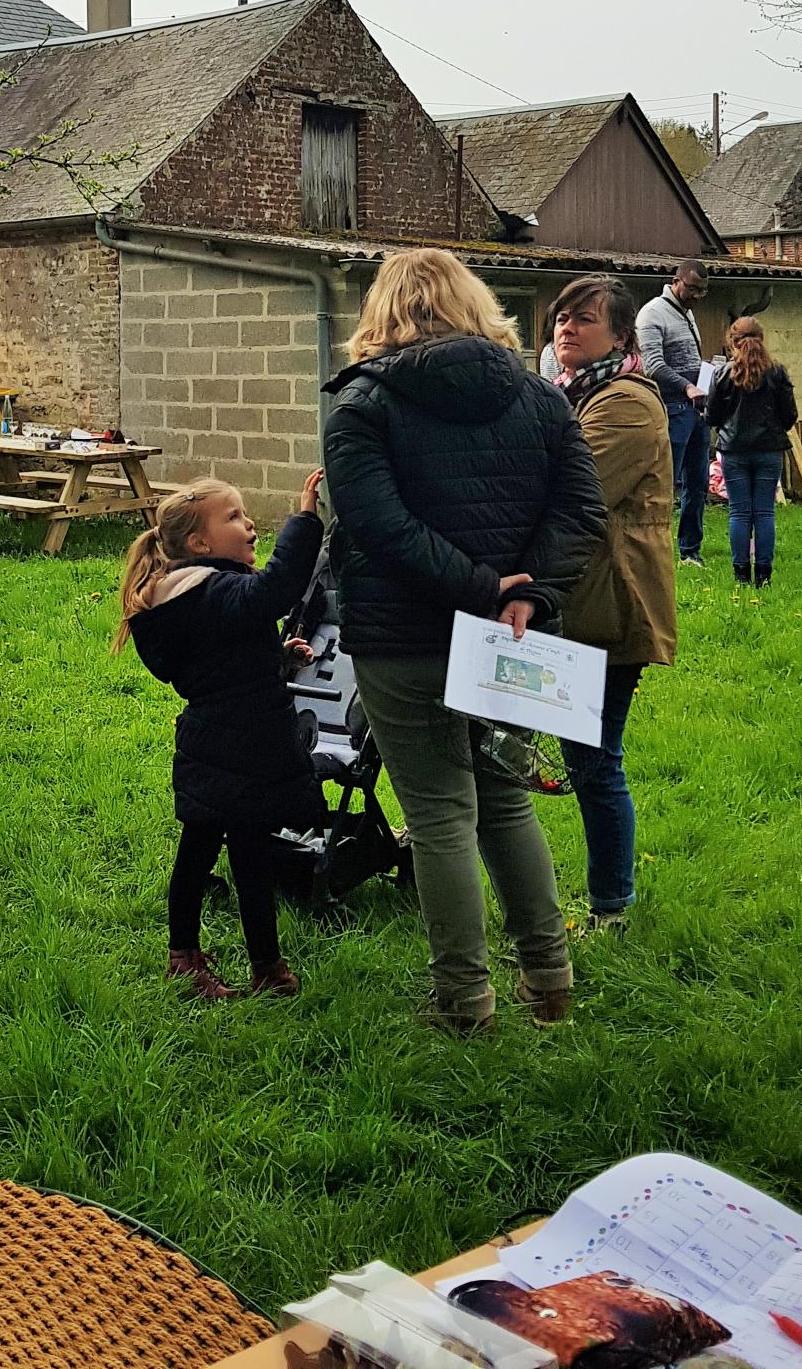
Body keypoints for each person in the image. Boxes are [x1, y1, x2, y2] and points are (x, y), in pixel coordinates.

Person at [323, 248, 606, 1034]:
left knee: (442, 815)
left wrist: (495, 592)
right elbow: (582, 511)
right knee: (504, 803)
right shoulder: (540, 399)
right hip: (505, 636)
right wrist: (522, 594)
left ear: (382, 311)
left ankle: (464, 1001)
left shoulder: (361, 406)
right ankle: (549, 979)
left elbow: (378, 529)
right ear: (473, 301)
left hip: (404, 637)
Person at [114, 473, 327, 1001]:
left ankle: (264, 967)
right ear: (199, 544)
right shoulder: (211, 590)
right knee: (215, 856)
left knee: (239, 855)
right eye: (234, 517)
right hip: (234, 747)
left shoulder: (194, 595)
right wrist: (304, 519)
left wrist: (276, 660)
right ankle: (192, 960)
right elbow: (273, 591)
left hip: (225, 743)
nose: (251, 524)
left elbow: (221, 661)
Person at [549, 276, 676, 931]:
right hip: (583, 598)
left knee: (596, 762)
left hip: (612, 602)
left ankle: (611, 908)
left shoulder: (625, 403)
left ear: (622, 336)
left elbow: (572, 492)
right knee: (586, 757)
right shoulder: (578, 393)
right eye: (562, 317)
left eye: (585, 319)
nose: (567, 327)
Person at [706, 316, 797, 591]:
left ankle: (742, 575)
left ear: (732, 342)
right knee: (765, 513)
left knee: (739, 513)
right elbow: (790, 415)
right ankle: (764, 576)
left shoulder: (722, 374)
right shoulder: (777, 372)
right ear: (762, 338)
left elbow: (711, 416)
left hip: (734, 451)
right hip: (769, 451)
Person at [636, 261, 710, 567]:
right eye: (692, 288)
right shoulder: (653, 313)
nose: (696, 295)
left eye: (702, 291)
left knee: (698, 483)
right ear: (675, 281)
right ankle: (657, 550)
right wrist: (687, 387)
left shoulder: (686, 312)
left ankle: (690, 551)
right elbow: (652, 364)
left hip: (697, 410)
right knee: (666, 484)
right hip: (673, 408)